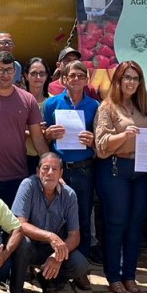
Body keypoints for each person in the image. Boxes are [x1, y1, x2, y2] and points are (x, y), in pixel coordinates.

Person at [94, 61, 147, 293]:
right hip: (115, 169)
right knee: (116, 223)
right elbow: (100, 146)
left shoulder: (145, 107)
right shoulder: (107, 108)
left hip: (141, 170)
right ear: (117, 81)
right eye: (126, 77)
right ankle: (113, 274)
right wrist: (122, 136)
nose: (130, 82)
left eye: (135, 78)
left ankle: (129, 274)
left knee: (136, 224)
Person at [8, 153, 93, 293]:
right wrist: (49, 236)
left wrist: (57, 256)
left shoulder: (69, 195)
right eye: (45, 168)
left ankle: (48, 280)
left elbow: (75, 235)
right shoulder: (28, 185)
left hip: (52, 249)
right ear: (37, 171)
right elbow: (19, 223)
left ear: (61, 173)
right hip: (31, 245)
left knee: (80, 265)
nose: (50, 173)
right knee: (22, 242)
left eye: (55, 169)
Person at [41, 58, 98, 274]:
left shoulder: (95, 106)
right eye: (71, 76)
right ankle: (53, 264)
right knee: (55, 217)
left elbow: (99, 141)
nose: (76, 79)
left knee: (82, 217)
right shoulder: (51, 104)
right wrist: (48, 134)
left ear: (87, 79)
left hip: (84, 169)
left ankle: (79, 268)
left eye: (80, 76)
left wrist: (92, 140)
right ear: (63, 79)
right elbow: (44, 140)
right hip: (58, 170)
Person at [0, 51, 48, 206]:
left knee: (15, 227)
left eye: (9, 70)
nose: (5, 75)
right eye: (0, 70)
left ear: (15, 72)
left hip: (17, 177)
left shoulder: (27, 100)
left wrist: (51, 165)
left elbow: (38, 139)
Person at [21, 57, 52, 172]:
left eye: (42, 73)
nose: (38, 77)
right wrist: (31, 132)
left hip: (46, 156)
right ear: (26, 75)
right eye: (33, 73)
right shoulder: (18, 100)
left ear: (47, 75)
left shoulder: (53, 102)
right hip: (22, 158)